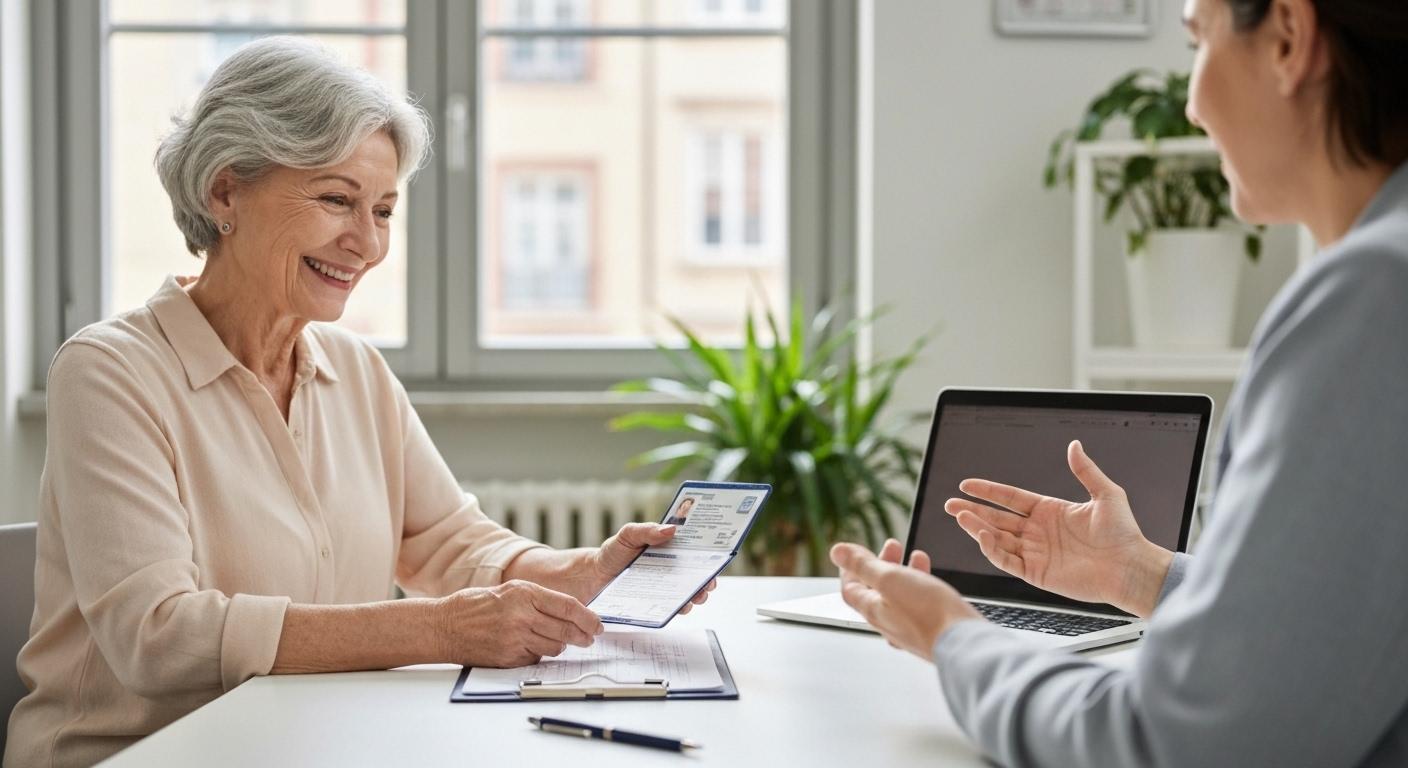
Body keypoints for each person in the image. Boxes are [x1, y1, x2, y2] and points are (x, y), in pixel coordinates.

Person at [2, 38, 715, 768]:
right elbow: (158, 637)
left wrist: (581, 572)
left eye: (383, 210)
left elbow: (452, 543)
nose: (367, 244)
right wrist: (440, 630)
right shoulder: (109, 373)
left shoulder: (356, 370)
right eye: (336, 200)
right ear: (224, 193)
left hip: (308, 747)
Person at [831, 0, 1408, 765]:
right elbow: (1340, 629)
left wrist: (953, 638)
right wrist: (1136, 572)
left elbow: (1174, 744)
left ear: (1288, 39)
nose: (1193, 106)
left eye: (1197, 41)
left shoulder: (1374, 298)